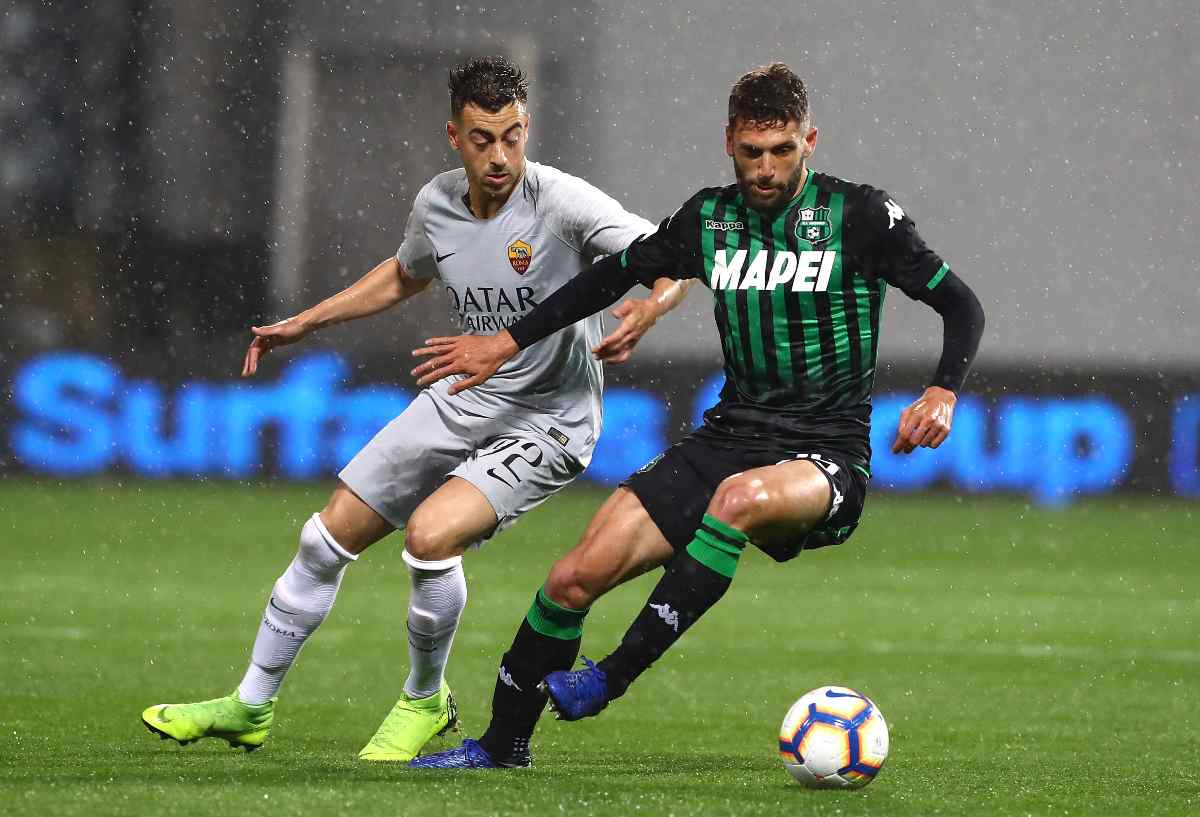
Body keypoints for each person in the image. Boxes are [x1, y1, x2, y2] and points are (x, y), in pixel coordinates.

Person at [405, 62, 985, 769]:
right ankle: (501, 745)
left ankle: (612, 675)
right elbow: (609, 275)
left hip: (826, 451)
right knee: (573, 577)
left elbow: (961, 303)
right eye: (751, 152)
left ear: (810, 140)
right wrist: (506, 340)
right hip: (731, 434)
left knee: (737, 501)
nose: (766, 170)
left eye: (782, 151)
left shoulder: (859, 216)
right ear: (729, 143)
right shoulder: (710, 219)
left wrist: (942, 390)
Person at [139, 55, 690, 762]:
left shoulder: (562, 203)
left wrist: (651, 304)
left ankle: (425, 697)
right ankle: (250, 703)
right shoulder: (436, 203)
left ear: (528, 130)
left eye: (514, 136)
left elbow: (671, 255)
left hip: (550, 418)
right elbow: (405, 272)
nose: (501, 155)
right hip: (464, 396)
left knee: (430, 536)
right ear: (454, 136)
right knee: (323, 537)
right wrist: (307, 322)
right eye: (484, 138)